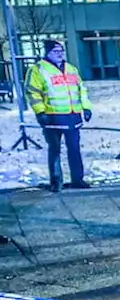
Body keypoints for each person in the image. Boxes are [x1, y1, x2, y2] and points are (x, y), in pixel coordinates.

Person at [25, 40, 92, 191]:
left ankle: (77, 179)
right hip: (52, 117)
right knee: (55, 149)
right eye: (56, 51)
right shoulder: (38, 70)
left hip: (72, 116)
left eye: (61, 51)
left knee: (74, 149)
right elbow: (32, 92)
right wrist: (40, 111)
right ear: (47, 53)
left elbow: (81, 89)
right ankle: (56, 181)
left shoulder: (71, 69)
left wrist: (86, 107)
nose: (60, 54)